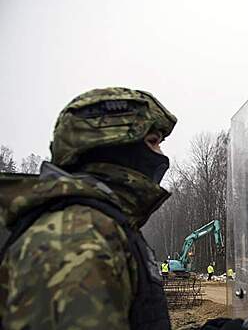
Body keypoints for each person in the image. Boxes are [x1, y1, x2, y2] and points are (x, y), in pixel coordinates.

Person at [0, 87, 176, 329]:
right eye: (153, 141)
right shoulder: (74, 238)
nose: (161, 154)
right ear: (114, 144)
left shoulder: (99, 226)